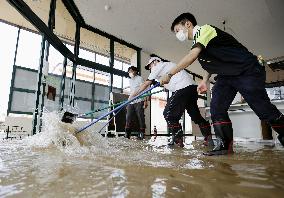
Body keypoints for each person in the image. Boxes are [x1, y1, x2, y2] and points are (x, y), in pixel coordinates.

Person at [160, 12, 284, 155]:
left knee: (262, 108)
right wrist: (205, 80)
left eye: (177, 30)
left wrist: (170, 74)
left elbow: (191, 56)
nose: (177, 34)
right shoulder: (198, 44)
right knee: (216, 107)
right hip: (226, 75)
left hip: (246, 68)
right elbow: (210, 65)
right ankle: (225, 146)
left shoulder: (204, 30)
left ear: (187, 24)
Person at [130, 57, 213, 147]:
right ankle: (208, 138)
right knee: (196, 116)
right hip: (192, 88)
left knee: (168, 114)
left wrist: (132, 96)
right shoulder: (167, 66)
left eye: (150, 66)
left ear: (155, 62)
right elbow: (168, 83)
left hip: (182, 87)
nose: (150, 68)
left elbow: (145, 84)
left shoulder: (159, 66)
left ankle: (178, 140)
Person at [125, 66, 148, 140]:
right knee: (128, 117)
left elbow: (144, 89)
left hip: (139, 100)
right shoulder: (130, 80)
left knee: (140, 116)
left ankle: (141, 134)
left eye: (131, 71)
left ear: (135, 71)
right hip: (131, 101)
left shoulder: (139, 78)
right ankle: (127, 134)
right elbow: (132, 91)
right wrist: (128, 102)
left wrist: (145, 101)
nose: (130, 73)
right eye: (129, 71)